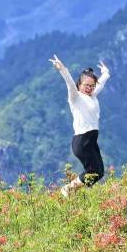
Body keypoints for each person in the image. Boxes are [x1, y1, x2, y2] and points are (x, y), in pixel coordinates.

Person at [50, 54, 110, 197]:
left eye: (91, 86)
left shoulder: (92, 96)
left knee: (99, 172)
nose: (89, 88)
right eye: (86, 85)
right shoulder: (76, 97)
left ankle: (72, 192)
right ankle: (68, 190)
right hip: (82, 141)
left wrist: (106, 73)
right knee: (93, 171)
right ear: (79, 85)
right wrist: (63, 70)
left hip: (91, 140)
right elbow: (70, 84)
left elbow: (99, 84)